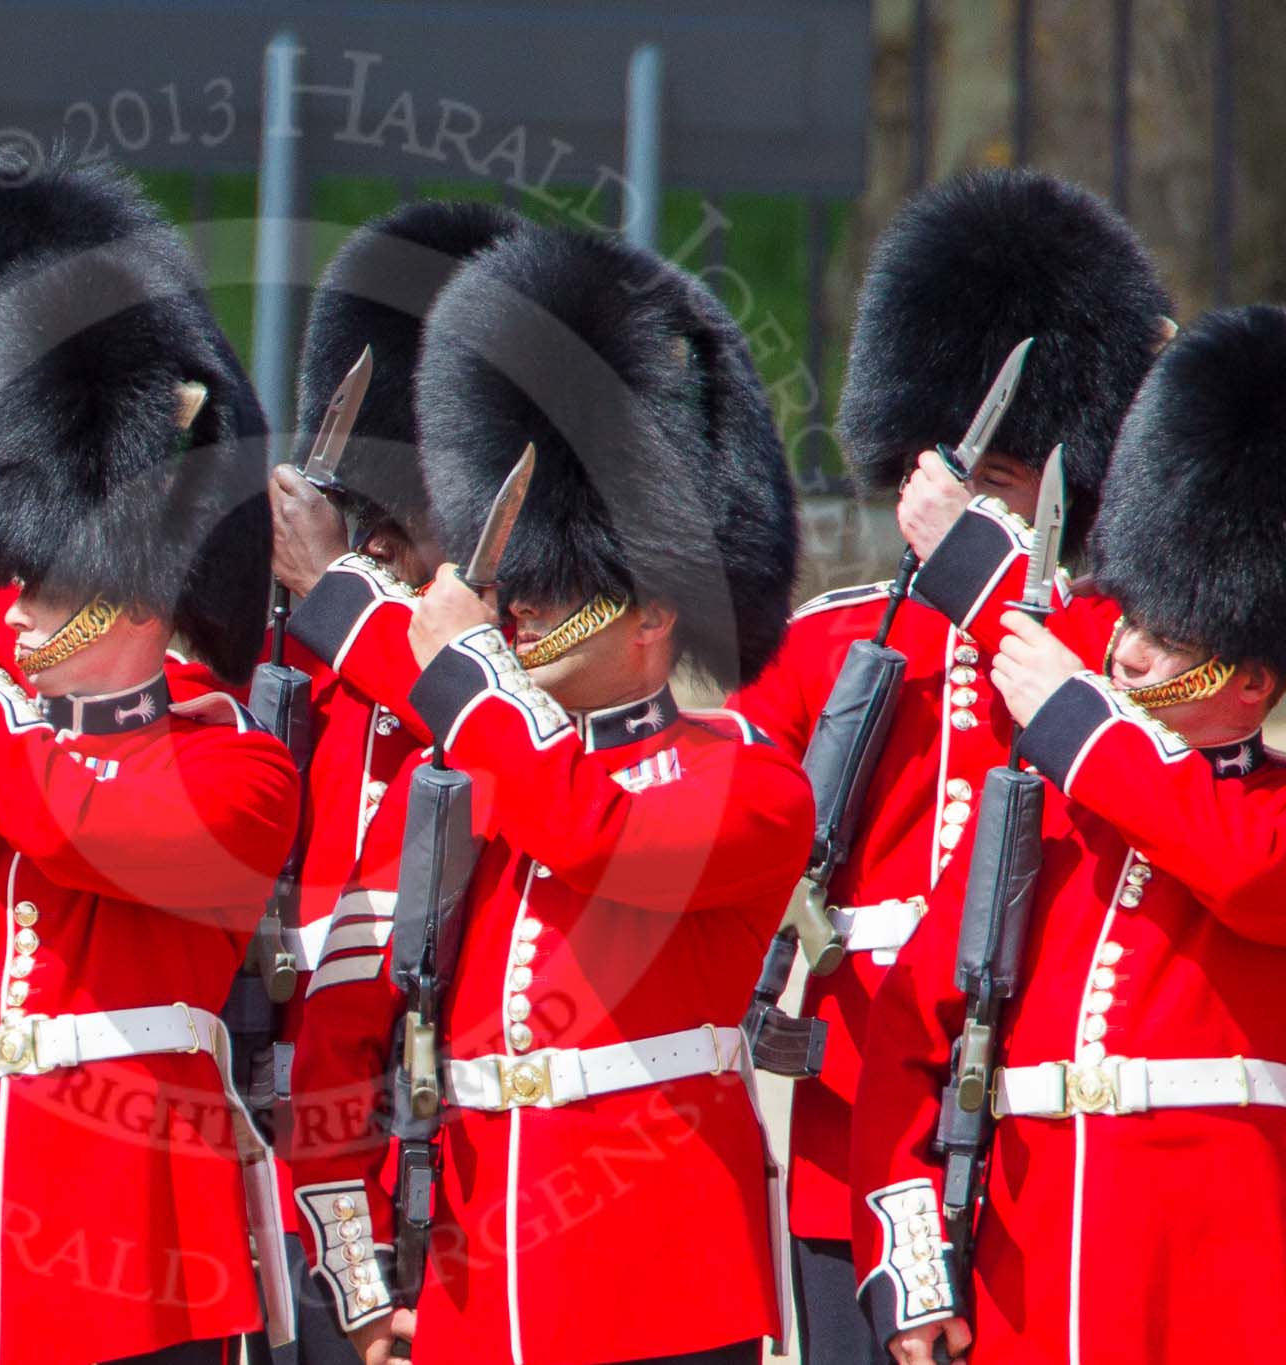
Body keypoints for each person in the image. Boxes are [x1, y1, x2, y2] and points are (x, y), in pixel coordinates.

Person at [0, 156, 300, 1365]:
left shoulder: (233, 768)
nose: (14, 612)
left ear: (130, 591)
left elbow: (74, 818)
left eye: (45, 587)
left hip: (149, 1279)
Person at [286, 220, 808, 1365]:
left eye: (556, 589)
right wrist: (327, 585)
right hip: (483, 1285)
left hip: (659, 1282)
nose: (521, 612)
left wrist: (458, 663)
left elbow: (587, 826)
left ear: (652, 611)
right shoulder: (494, 760)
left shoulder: (746, 785)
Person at [727, 168, 1172, 1365]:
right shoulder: (840, 641)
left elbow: (1147, 741)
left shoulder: (1122, 642)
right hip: (847, 1123)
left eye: (1007, 488)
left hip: (1041, 1148)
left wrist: (987, 589)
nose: (983, 510)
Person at [852, 303, 1286, 1364]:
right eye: (1127, 623)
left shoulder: (1254, 816)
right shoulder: (1047, 813)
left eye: (1165, 636)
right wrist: (911, 1273)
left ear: (1249, 682)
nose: (1126, 655)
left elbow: (1235, 869)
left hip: (1218, 1294)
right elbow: (906, 1035)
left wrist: (1070, 719)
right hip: (1026, 1288)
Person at [262, 198, 521, 1365]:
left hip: (463, 1163)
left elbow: (448, 701)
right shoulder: (293, 656)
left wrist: (334, 594)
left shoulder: (511, 666)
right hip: (273, 1152)